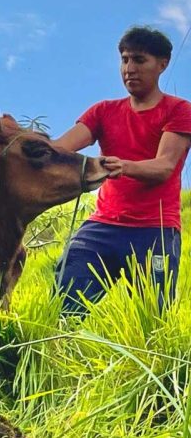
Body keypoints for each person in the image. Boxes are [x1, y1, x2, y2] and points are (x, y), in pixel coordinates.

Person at [53, 26, 191, 313]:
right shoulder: (103, 111)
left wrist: (123, 166)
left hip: (155, 230)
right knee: (64, 302)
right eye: (125, 60)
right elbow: (61, 148)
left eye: (139, 60)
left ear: (162, 64)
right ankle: (58, 352)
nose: (129, 68)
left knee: (151, 317)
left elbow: (164, 166)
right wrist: (26, 144)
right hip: (103, 225)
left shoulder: (179, 110)